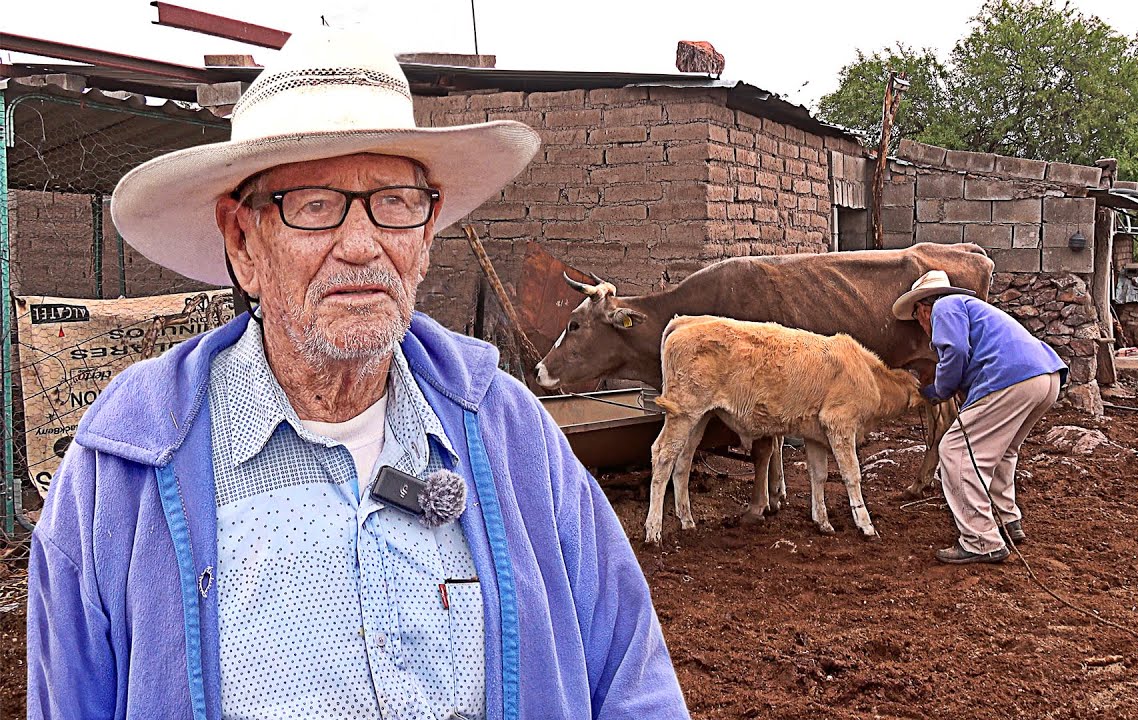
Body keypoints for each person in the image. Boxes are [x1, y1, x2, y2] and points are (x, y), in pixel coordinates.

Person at [27, 28, 689, 720]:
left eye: (394, 202)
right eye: (315, 204)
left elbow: (630, 676)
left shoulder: (511, 434)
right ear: (243, 242)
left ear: (426, 235)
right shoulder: (125, 470)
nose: (362, 244)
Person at [892, 270, 1068, 565]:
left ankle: (981, 540)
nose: (920, 326)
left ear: (923, 308)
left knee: (956, 451)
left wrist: (938, 390)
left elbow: (956, 351)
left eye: (916, 317)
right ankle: (1007, 518)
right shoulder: (972, 309)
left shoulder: (944, 306)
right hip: (1045, 375)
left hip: (1011, 378)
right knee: (1003, 450)